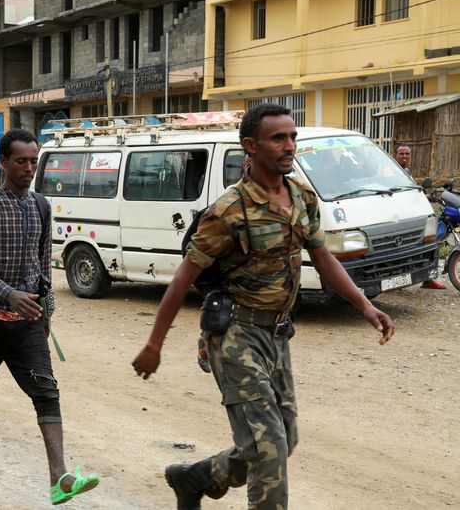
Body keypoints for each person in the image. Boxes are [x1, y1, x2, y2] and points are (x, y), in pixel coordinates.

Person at [132, 104, 395, 510]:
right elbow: (182, 280)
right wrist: (154, 344)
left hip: (277, 334)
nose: (289, 146)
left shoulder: (303, 198)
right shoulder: (227, 212)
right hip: (235, 336)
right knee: (268, 448)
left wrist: (363, 304)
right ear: (250, 147)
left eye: (292, 137)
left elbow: (322, 257)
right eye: (278, 138)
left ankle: (197, 477)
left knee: (283, 439)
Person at [0, 129, 98, 505]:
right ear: (3, 162)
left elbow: (43, 265)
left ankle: (60, 478)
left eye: (33, 161)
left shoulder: (41, 206)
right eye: (21, 161)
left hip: (28, 325)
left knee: (47, 393)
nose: (28, 168)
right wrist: (9, 294)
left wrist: (45, 307)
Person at [394, 145, 446, 289]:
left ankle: (428, 278)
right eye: (401, 154)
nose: (404, 156)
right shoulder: (390, 171)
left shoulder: (407, 172)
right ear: (395, 155)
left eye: (407, 154)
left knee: (429, 241)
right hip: (398, 216)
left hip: (411, 213)